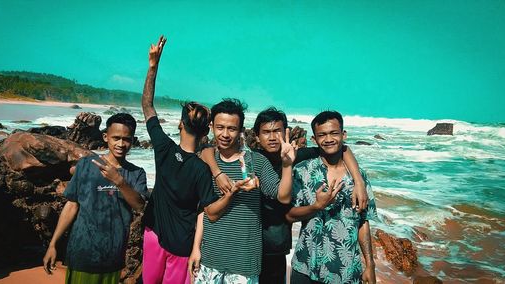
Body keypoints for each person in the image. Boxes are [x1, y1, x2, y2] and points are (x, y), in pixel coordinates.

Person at [202, 107, 368, 283]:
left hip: (275, 243)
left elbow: (342, 148)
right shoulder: (253, 159)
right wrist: (217, 173)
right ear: (257, 136)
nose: (273, 137)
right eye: (266, 132)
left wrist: (358, 181)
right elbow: (206, 151)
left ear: (286, 132)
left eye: (277, 131)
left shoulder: (296, 155)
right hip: (247, 242)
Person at [141, 36, 237, 284]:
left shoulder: (163, 147)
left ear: (179, 124)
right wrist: (230, 194)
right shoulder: (204, 169)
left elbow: (147, 106)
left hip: (154, 235)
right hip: (183, 246)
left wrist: (153, 66)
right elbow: (210, 213)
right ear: (207, 132)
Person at [190, 99, 295, 283]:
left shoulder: (258, 162)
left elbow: (283, 197)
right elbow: (202, 210)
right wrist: (196, 249)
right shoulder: (205, 161)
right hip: (209, 258)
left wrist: (287, 165)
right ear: (212, 126)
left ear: (241, 130)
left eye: (231, 128)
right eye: (220, 127)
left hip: (244, 264)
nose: (225, 134)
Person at [42, 113, 148, 284]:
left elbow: (139, 206)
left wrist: (119, 181)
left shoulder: (136, 173)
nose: (121, 144)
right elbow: (71, 206)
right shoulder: (86, 165)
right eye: (116, 138)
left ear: (133, 140)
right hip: (82, 250)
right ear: (106, 137)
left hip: (113, 255)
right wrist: (53, 244)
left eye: (126, 139)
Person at [287, 111, 377, 284]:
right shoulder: (302, 171)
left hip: (346, 271)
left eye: (334, 133)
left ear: (343, 135)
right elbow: (289, 216)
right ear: (314, 139)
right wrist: (316, 206)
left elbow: (363, 221)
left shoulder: (359, 177)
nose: (328, 139)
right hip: (306, 266)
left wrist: (370, 265)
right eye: (322, 134)